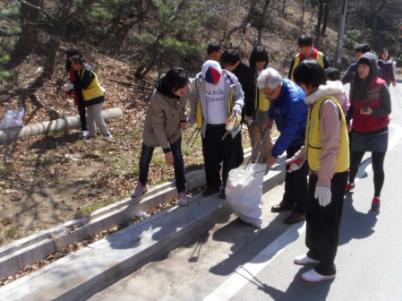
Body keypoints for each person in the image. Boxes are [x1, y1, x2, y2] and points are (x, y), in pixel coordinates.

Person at [292, 60, 349, 282]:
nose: (299, 87)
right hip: (319, 171)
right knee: (314, 214)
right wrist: (300, 157)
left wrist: (325, 181)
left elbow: (331, 146)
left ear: (308, 84)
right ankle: (315, 253)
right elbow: (314, 138)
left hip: (332, 174)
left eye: (300, 83)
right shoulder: (315, 102)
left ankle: (327, 267)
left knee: (327, 220)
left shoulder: (327, 105)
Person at [131, 67, 189, 206]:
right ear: (171, 87)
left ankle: (181, 190)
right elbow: (157, 126)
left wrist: (182, 119)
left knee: (178, 160)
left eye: (185, 86)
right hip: (153, 132)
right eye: (181, 88)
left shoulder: (184, 88)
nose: (184, 91)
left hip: (174, 130)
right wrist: (166, 150)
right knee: (145, 158)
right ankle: (142, 183)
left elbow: (181, 107)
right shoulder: (157, 98)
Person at [257, 67, 308, 224]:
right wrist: (270, 117)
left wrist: (274, 154)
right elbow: (274, 102)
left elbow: (288, 133)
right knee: (290, 171)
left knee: (298, 174)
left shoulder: (295, 101)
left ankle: (302, 208)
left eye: (268, 93)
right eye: (264, 93)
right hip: (291, 137)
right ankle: (289, 201)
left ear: (277, 86)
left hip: (301, 139)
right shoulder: (278, 88)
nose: (267, 96)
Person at [188, 60, 244, 198]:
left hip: (228, 126)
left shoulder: (230, 78)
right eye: (210, 81)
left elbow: (240, 96)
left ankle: (227, 187)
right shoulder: (198, 81)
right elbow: (194, 101)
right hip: (208, 127)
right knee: (210, 158)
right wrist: (191, 119)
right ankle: (213, 185)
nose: (213, 83)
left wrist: (237, 107)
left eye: (216, 79)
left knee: (230, 158)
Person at [345, 52, 391, 212]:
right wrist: (345, 118)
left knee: (378, 166)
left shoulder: (381, 85)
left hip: (379, 132)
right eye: (359, 66)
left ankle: (376, 196)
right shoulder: (356, 84)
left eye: (365, 66)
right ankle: (350, 182)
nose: (361, 69)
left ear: (371, 68)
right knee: (353, 163)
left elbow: (387, 110)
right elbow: (352, 106)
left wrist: (372, 111)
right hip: (359, 130)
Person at [221, 49, 256, 157]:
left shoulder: (247, 72)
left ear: (237, 62)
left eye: (228, 65)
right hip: (221, 109)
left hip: (238, 110)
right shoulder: (218, 69)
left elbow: (251, 94)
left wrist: (249, 113)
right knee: (223, 136)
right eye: (224, 64)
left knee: (235, 136)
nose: (225, 68)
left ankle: (236, 159)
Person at [70, 55, 112, 140]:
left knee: (97, 117)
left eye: (73, 64)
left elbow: (84, 85)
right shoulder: (79, 71)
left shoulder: (88, 71)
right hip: (89, 99)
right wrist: (71, 86)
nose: (72, 66)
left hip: (96, 97)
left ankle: (107, 135)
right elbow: (78, 84)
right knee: (90, 118)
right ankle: (92, 134)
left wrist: (72, 86)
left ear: (78, 64)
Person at [248, 45, 272, 162]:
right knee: (255, 138)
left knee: (266, 138)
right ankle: (255, 163)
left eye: (263, 61)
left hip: (266, 110)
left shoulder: (270, 74)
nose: (261, 64)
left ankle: (268, 162)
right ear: (253, 61)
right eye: (258, 61)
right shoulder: (248, 73)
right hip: (252, 110)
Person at [64, 49, 88, 138]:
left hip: (85, 90)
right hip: (77, 90)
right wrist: (68, 88)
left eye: (70, 57)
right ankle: (85, 129)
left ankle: (91, 128)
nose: (69, 59)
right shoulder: (71, 66)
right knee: (81, 110)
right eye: (68, 58)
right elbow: (72, 79)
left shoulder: (82, 67)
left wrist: (72, 86)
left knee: (90, 110)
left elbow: (82, 81)